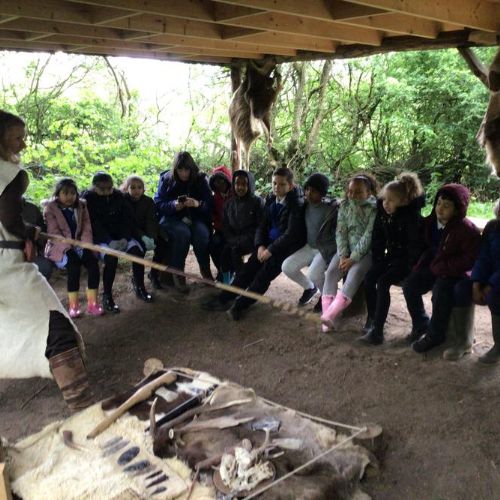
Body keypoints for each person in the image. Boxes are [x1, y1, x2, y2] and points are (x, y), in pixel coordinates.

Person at [0, 110, 92, 411]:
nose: (23, 144)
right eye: (17, 138)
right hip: (6, 264)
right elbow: (10, 221)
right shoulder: (9, 173)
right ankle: (82, 404)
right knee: (54, 322)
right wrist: (32, 233)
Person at [205, 167, 305, 320]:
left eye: (282, 184)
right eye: (274, 183)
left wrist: (270, 250)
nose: (277, 187)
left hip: (285, 247)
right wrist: (260, 246)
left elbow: (290, 235)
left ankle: (240, 305)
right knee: (248, 269)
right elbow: (262, 226)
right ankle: (225, 298)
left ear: (290, 186)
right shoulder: (271, 199)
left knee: (263, 276)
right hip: (268, 244)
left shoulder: (296, 204)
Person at [403, 183, 481, 353]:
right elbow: (423, 245)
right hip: (434, 265)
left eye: (446, 206)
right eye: (438, 203)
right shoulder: (431, 222)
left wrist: (445, 267)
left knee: (440, 292)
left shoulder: (466, 230)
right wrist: (419, 263)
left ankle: (435, 334)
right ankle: (421, 324)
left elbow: (470, 259)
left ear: (458, 209)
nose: (440, 209)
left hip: (456, 272)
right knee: (410, 285)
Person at [359, 173, 425, 345]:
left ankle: (378, 331)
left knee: (383, 282)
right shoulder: (383, 214)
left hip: (407, 262)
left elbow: (415, 247)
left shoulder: (411, 218)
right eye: (384, 199)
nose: (385, 204)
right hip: (391, 257)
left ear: (403, 202)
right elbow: (378, 238)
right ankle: (373, 319)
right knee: (369, 278)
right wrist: (378, 261)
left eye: (391, 201)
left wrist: (410, 268)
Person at [321, 173, 377, 332]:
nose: (353, 195)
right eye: (350, 191)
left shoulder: (374, 209)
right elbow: (341, 232)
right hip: (346, 252)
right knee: (331, 272)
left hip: (366, 253)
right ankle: (327, 317)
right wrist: (343, 255)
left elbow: (368, 236)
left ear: (368, 192)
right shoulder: (344, 206)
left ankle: (329, 315)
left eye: (358, 192)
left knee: (354, 275)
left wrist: (353, 259)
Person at [82, 172, 144, 313]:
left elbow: (126, 219)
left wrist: (124, 237)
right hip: (101, 239)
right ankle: (107, 296)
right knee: (111, 258)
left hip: (121, 236)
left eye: (109, 188)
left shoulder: (118, 196)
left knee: (137, 253)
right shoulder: (87, 200)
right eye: (102, 189)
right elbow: (92, 224)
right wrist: (108, 241)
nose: (106, 192)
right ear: (94, 187)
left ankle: (140, 286)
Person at [154, 151, 214, 292]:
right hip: (171, 218)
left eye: (187, 169)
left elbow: (210, 204)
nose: (183, 173)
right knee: (182, 233)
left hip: (195, 217)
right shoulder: (167, 179)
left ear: (192, 168)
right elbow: (158, 202)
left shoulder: (201, 179)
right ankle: (179, 274)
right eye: (180, 169)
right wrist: (173, 205)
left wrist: (197, 204)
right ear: (175, 169)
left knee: (201, 234)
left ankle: (205, 270)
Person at [44, 178, 103, 318]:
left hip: (80, 244)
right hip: (59, 247)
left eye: (72, 193)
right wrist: (68, 249)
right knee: (74, 267)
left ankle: (93, 304)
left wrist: (86, 246)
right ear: (58, 194)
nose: (69, 197)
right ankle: (73, 306)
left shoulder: (81, 206)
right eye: (65, 193)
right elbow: (54, 233)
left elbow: (86, 228)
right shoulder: (50, 208)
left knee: (93, 265)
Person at [450, 200, 500, 362]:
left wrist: (490, 285)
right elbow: (483, 256)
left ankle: (498, 347)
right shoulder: (493, 226)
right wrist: (476, 283)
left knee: (495, 296)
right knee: (461, 288)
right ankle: (464, 341)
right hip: (488, 276)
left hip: (496, 282)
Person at [281, 173, 334, 306]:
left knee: (314, 274)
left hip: (323, 249)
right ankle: (310, 288)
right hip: (309, 247)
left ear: (322, 193)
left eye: (314, 191)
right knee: (287, 267)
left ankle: (326, 296)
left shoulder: (330, 209)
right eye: (307, 189)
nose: (309, 193)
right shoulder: (304, 205)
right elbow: (293, 197)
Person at [219, 169, 264, 284]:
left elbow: (260, 225)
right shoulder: (229, 204)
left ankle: (240, 282)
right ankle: (226, 283)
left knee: (235, 251)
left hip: (252, 239)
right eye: (237, 183)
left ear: (250, 185)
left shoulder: (257, 202)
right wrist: (232, 239)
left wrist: (242, 240)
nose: (240, 187)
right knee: (224, 253)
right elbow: (226, 226)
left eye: (244, 184)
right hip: (234, 238)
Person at [121, 174, 158, 302]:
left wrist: (151, 237)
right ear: (126, 188)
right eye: (132, 187)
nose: (136, 190)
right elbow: (128, 224)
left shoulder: (148, 201)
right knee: (138, 253)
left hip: (144, 233)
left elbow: (151, 221)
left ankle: (154, 275)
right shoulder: (123, 201)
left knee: (164, 243)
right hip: (128, 235)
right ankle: (140, 287)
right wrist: (143, 237)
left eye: (139, 187)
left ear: (143, 189)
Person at [208, 165, 233, 279]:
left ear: (227, 180)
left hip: (236, 231)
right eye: (216, 181)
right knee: (213, 245)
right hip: (221, 230)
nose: (219, 184)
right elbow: (213, 216)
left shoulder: (236, 194)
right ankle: (222, 271)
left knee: (229, 249)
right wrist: (219, 226)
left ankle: (230, 272)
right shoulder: (214, 198)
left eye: (221, 180)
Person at [22, 196, 53, 280]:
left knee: (45, 267)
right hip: (8, 255)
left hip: (31, 253)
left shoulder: (32, 208)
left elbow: (42, 229)